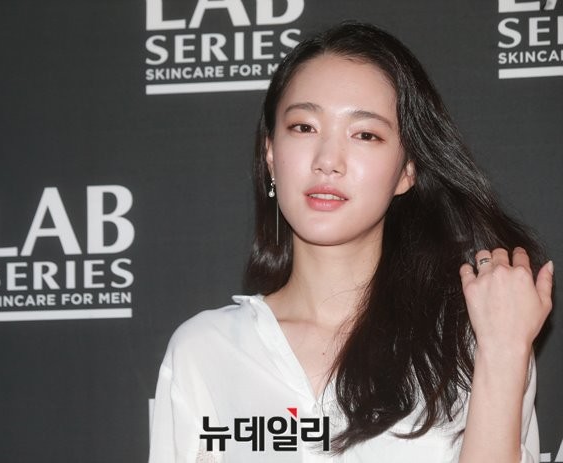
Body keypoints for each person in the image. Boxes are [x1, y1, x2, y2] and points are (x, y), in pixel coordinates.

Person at [148, 22, 553, 462]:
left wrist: (503, 351)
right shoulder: (205, 351)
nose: (327, 161)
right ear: (270, 154)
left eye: (365, 134)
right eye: (304, 127)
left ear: (407, 171)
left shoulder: (472, 341)